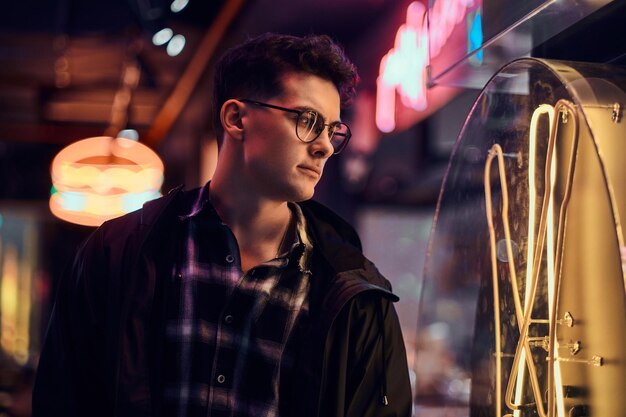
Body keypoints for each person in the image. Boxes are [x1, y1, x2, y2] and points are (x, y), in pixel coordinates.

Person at [32, 33, 412, 417]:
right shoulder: (118, 251)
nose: (325, 146)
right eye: (308, 120)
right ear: (236, 118)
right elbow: (62, 398)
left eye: (332, 130)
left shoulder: (356, 292)